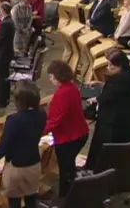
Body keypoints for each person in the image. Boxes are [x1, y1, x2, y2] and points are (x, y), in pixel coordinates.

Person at [0, 80, 47, 208]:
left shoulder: (14, 120)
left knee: (14, 202)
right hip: (34, 164)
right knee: (31, 199)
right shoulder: (42, 114)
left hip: (17, 168)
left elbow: (5, 146)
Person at [84, 49, 130, 170]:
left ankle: (99, 170)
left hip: (114, 121)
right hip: (125, 118)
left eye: (111, 65)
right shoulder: (129, 74)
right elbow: (117, 90)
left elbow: (110, 95)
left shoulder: (120, 79)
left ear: (120, 65)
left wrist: (97, 99)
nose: (108, 68)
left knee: (105, 148)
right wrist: (100, 84)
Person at [44, 61, 89, 198]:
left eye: (51, 77)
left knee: (66, 171)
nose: (50, 80)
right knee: (68, 168)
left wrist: (39, 132)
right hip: (79, 133)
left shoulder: (62, 93)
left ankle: (66, 198)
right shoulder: (71, 87)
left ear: (59, 76)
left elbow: (56, 119)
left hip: (69, 138)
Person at [0, 2, 15, 107]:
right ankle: (5, 98)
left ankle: (1, 101)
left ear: (3, 10)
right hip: (6, 53)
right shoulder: (9, 21)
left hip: (2, 54)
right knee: (5, 76)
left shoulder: (5, 23)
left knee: (1, 78)